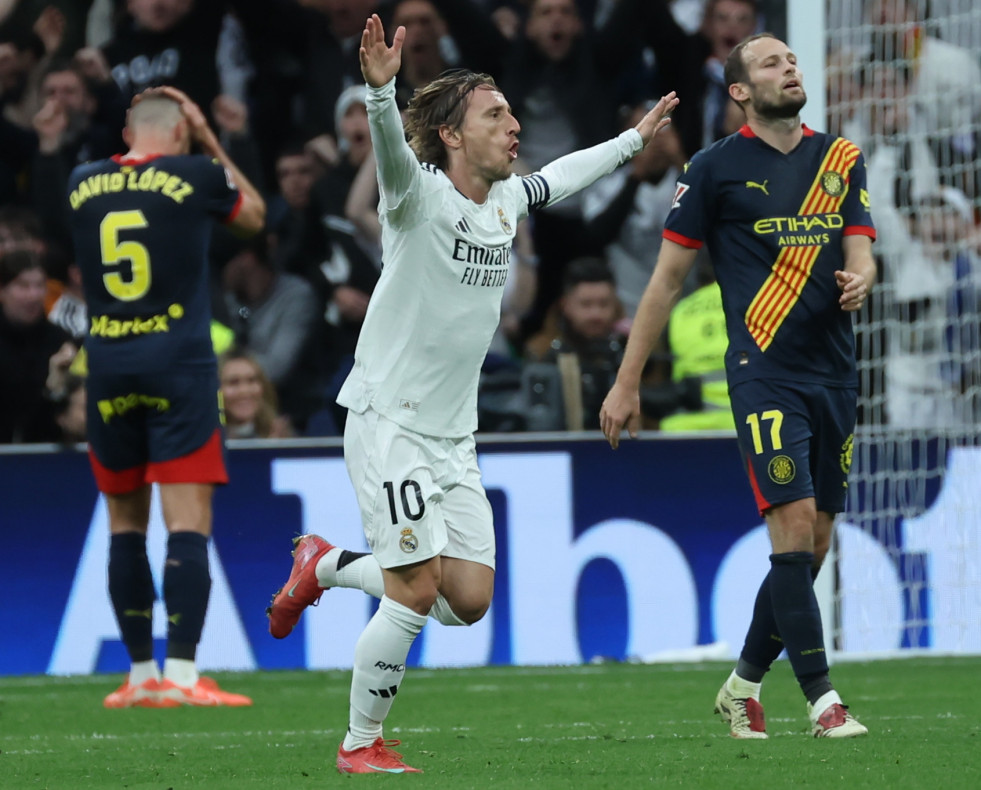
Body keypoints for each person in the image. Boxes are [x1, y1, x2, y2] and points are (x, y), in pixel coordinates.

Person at [264, 13, 678, 773]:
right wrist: (380, 94)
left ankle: (321, 565)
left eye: (513, 113)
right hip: (388, 417)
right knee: (414, 587)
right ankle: (360, 744)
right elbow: (390, 155)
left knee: (467, 598)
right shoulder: (416, 198)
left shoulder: (506, 201)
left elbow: (565, 174)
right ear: (452, 136)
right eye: (495, 115)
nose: (514, 125)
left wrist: (633, 140)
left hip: (454, 436)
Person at [600, 33, 876, 739]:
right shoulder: (713, 168)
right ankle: (822, 700)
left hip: (835, 372)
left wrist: (861, 276)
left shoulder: (838, 158)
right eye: (769, 63)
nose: (788, 67)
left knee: (812, 545)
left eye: (790, 58)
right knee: (790, 524)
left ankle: (741, 686)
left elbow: (859, 242)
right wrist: (626, 382)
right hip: (764, 374)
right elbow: (665, 281)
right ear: (740, 93)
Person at [66, 84, 265, 708]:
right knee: (188, 521)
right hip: (178, 366)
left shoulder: (81, 182)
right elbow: (255, 217)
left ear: (129, 133)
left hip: (107, 368)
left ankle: (137, 676)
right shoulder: (197, 172)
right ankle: (182, 676)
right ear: (179, 133)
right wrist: (210, 142)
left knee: (124, 524)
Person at [218, 347, 293, 439]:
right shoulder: (205, 440)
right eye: (233, 382)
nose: (244, 391)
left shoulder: (284, 436)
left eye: (252, 380)